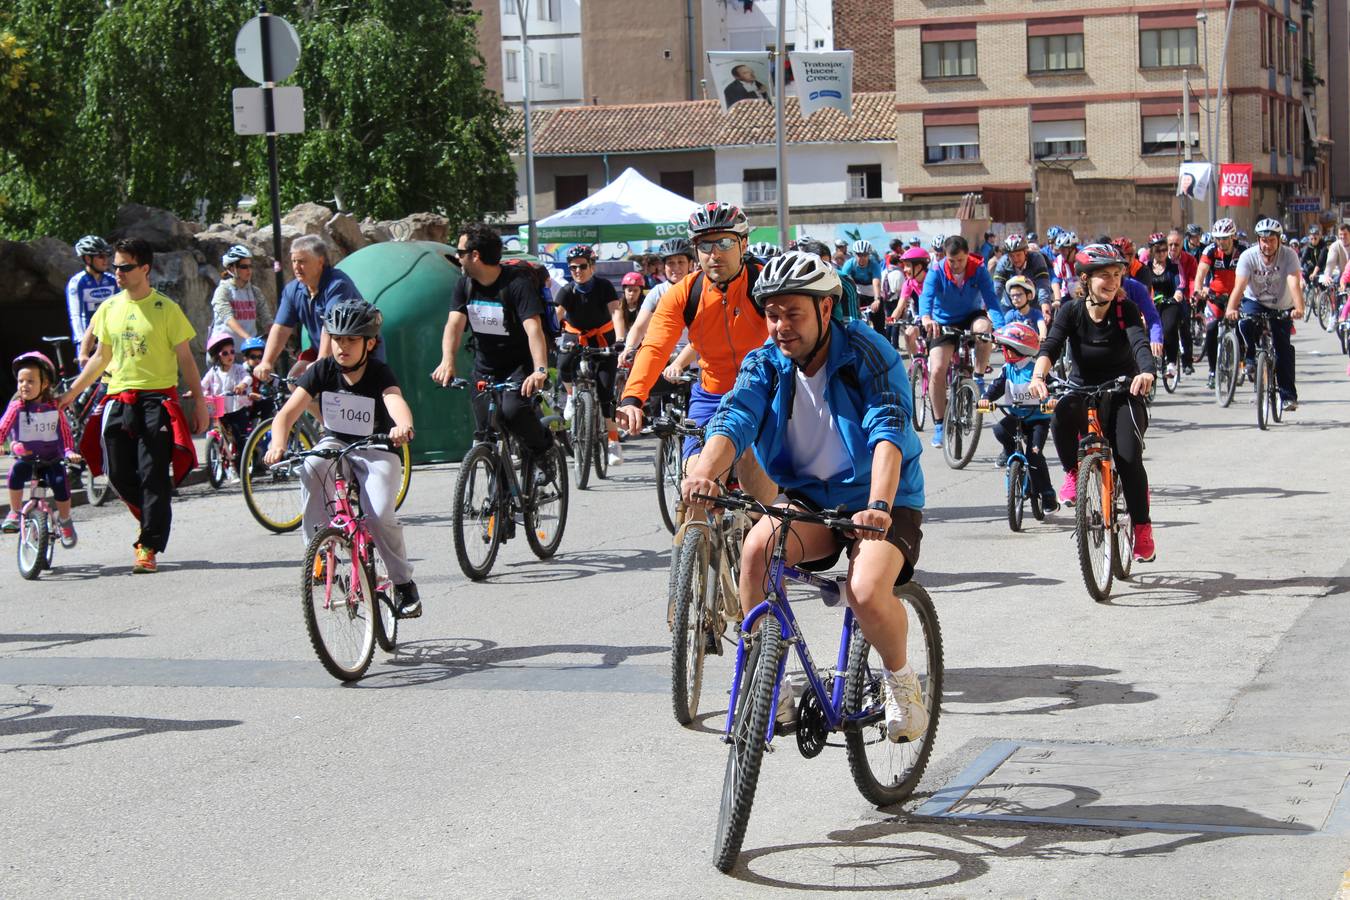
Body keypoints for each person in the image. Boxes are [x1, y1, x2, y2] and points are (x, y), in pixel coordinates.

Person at [681, 250, 928, 741]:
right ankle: (773, 683)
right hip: (811, 499)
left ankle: (902, 682)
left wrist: (878, 505)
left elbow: (888, 431)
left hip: (881, 499)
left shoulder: (869, 353)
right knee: (756, 551)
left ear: (825, 309)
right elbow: (735, 417)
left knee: (863, 591)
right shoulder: (764, 364)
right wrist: (704, 474)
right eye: (771, 315)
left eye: (793, 313)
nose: (780, 326)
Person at [59, 237, 208, 574]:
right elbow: (101, 357)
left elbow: (186, 360)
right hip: (118, 398)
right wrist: (70, 393)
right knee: (116, 470)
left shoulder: (167, 309)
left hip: (157, 400)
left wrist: (200, 403)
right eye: (115, 266)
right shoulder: (109, 308)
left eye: (125, 267)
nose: (117, 273)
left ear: (144, 268)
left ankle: (148, 544)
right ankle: (154, 516)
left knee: (153, 474)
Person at [263, 299, 421, 618]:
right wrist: (277, 444)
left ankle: (404, 584)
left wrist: (403, 426)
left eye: (351, 339)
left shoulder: (379, 371)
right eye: (337, 339)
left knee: (377, 516)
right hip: (335, 443)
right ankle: (319, 548)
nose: (342, 346)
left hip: (377, 447)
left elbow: (394, 400)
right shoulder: (322, 370)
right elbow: (286, 414)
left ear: (370, 342)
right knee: (312, 464)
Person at [615, 201, 777, 505]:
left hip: (764, 390)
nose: (714, 253)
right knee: (695, 482)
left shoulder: (765, 283)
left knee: (752, 465)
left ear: (744, 244)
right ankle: (701, 544)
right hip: (710, 393)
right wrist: (632, 398)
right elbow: (655, 346)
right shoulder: (684, 293)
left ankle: (763, 535)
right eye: (705, 244)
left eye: (725, 242)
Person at [1027, 243, 1157, 562]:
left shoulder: (1124, 311)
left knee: (1128, 458)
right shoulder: (1071, 311)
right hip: (1084, 392)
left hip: (1123, 391)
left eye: (1116, 275)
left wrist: (1147, 373)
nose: (1112, 282)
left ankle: (1142, 528)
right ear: (1084, 280)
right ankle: (1075, 472)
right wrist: (1037, 377)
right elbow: (1052, 346)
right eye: (1104, 276)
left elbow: (1140, 344)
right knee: (1060, 415)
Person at [433, 223, 557, 483]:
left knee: (513, 411)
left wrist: (540, 370)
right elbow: (454, 325)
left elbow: (533, 329)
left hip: (518, 366)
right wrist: (447, 360)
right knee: (486, 433)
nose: (457, 257)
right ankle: (501, 510)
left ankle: (543, 450)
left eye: (460, 251)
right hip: (484, 368)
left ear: (475, 255)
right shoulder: (465, 285)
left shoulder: (516, 284)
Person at [917, 234, 1000, 449]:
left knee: (984, 330)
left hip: (971, 316)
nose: (955, 265)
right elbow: (926, 297)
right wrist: (926, 318)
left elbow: (991, 299)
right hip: (943, 321)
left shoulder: (978, 268)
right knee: (936, 370)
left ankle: (979, 377)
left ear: (967, 256)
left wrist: (1000, 327)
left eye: (960, 260)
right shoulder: (937, 270)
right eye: (951, 261)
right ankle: (938, 425)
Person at [254, 234, 367, 384]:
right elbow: (281, 328)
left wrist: (321, 362)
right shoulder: (293, 290)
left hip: (354, 352)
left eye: (302, 261)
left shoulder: (338, 285)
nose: (296, 266)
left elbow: (331, 326)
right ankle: (320, 409)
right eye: (294, 261)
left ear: (320, 261)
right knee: (295, 382)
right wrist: (267, 362)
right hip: (322, 350)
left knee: (335, 393)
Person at [555, 245, 626, 466]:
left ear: (592, 266)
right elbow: (556, 316)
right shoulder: (567, 291)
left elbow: (616, 312)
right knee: (563, 364)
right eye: (573, 267)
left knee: (606, 391)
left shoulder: (603, 286)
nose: (577, 271)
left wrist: (621, 340)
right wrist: (548, 336)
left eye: (582, 266)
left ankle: (613, 442)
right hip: (575, 336)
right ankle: (569, 396)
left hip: (603, 337)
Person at [1225, 218, 1306, 411]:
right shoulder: (1248, 256)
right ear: (1258, 240)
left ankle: (1287, 396)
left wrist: (1299, 307)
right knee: (1245, 324)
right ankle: (1251, 357)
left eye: (1271, 240)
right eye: (1263, 240)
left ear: (1279, 240)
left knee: (1283, 348)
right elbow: (1240, 285)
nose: (1267, 244)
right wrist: (1231, 308)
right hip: (1255, 301)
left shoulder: (1289, 256)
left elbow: (1294, 282)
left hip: (1281, 304)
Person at [1, 352, 80, 545]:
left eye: (30, 381)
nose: (24, 385)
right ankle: (14, 511)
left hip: (51, 459)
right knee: (15, 473)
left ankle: (64, 520)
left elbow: (65, 432)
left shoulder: (54, 407)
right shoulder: (16, 406)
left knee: (61, 482)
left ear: (44, 384)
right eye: (21, 381)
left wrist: (69, 451)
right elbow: (4, 426)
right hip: (27, 459)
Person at [978, 323, 1057, 512]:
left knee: (1034, 455)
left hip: (1037, 419)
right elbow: (996, 386)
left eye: (1007, 348)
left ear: (1018, 350)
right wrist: (986, 399)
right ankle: (1008, 451)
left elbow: (1055, 385)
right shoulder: (1008, 368)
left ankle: (1047, 495)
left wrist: (1053, 400)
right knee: (999, 430)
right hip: (1016, 416)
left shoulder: (1036, 368)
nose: (1004, 351)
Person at [1192, 218, 1248, 389]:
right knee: (1211, 329)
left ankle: (1241, 364)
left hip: (1237, 296)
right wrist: (1198, 289)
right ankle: (1212, 371)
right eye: (1218, 238)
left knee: (1241, 329)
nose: (1221, 242)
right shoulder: (1210, 251)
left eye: (1224, 238)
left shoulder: (1243, 250)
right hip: (1215, 295)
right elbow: (1201, 271)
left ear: (1233, 237)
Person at [200, 331, 253, 482]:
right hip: (220, 409)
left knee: (240, 438)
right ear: (217, 356)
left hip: (236, 409)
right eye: (225, 353)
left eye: (231, 352)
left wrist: (242, 384)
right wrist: (196, 392)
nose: (230, 355)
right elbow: (203, 385)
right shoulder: (213, 372)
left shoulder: (237, 369)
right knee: (219, 432)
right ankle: (224, 462)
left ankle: (240, 466)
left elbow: (247, 377)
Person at [1136, 233, 1186, 379]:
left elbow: (1180, 282)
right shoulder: (1145, 268)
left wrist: (1178, 292)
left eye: (1165, 249)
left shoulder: (1174, 266)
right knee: (1144, 330)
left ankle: (1171, 362)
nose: (1163, 253)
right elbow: (1141, 286)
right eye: (1158, 250)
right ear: (1151, 251)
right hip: (1151, 303)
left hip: (1170, 302)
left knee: (1169, 328)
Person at [66, 235, 118, 367]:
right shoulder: (77, 283)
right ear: (88, 258)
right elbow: (76, 315)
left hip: (111, 340)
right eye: (101, 256)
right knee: (90, 385)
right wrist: (82, 342)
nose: (106, 260)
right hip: (88, 340)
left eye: (107, 256)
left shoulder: (112, 280)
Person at [992, 234, 1054, 319]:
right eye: (1011, 256)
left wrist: (1045, 305)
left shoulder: (1037, 259)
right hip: (1010, 305)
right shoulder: (1003, 262)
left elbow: (1042, 284)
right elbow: (997, 288)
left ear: (1025, 252)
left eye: (1018, 255)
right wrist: (992, 308)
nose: (1015, 259)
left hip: (1033, 304)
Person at [210, 244, 263, 342]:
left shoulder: (255, 292)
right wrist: (249, 339)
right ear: (231, 269)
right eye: (244, 267)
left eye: (250, 266)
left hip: (247, 350)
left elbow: (266, 318)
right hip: (224, 351)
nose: (249, 270)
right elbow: (227, 318)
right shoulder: (223, 290)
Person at [1166, 229, 1199, 374]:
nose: (1173, 248)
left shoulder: (1190, 259)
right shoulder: (1162, 260)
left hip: (1183, 296)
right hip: (1167, 298)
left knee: (1185, 327)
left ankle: (1187, 361)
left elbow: (1192, 279)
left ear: (1181, 246)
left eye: (1176, 245)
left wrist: (1192, 295)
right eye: (1170, 244)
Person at [840, 239, 884, 331]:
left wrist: (877, 300)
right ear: (855, 254)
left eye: (865, 255)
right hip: (857, 294)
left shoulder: (874, 265)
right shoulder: (849, 264)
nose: (862, 258)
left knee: (879, 324)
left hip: (872, 293)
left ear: (869, 255)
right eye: (859, 255)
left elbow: (876, 282)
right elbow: (843, 282)